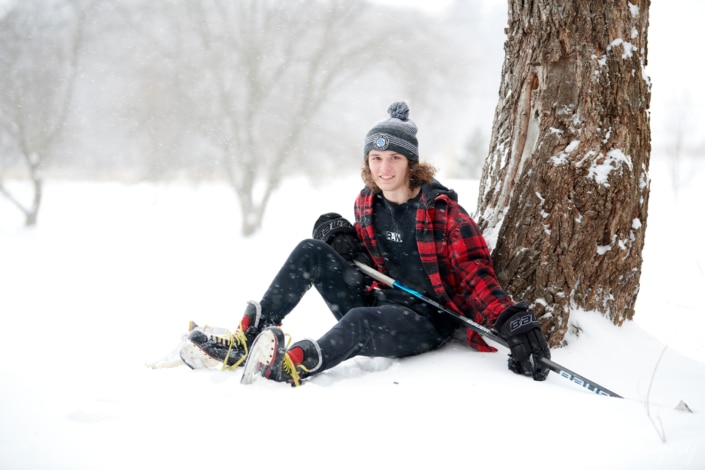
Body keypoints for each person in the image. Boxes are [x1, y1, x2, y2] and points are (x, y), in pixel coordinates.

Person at [180, 101, 551, 387]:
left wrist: (510, 319)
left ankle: (295, 363)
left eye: (394, 158)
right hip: (379, 300)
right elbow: (366, 251)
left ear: (411, 164)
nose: (384, 168)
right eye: (376, 158)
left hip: (425, 321)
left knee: (358, 321)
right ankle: (248, 339)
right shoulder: (367, 203)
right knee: (311, 250)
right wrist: (335, 230)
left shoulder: (443, 212)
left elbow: (476, 273)